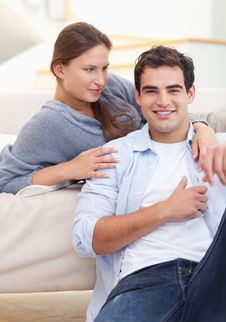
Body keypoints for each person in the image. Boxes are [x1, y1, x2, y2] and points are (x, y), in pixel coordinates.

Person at [72, 45, 226, 322]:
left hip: (217, 283)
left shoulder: (221, 146)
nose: (162, 101)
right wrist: (164, 210)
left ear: (191, 93)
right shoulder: (115, 156)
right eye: (151, 91)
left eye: (173, 90)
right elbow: (85, 238)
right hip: (147, 281)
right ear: (137, 95)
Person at [0, 22, 215, 194]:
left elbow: (160, 105)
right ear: (60, 70)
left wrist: (202, 128)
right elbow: (6, 180)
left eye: (104, 68)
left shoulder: (109, 86)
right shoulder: (48, 124)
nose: (101, 79)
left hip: (188, 131)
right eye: (89, 69)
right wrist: (68, 169)